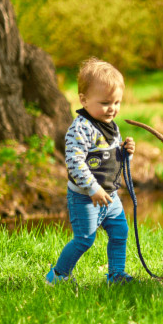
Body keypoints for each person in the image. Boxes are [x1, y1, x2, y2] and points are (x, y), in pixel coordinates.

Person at [46, 57, 136, 285]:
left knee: (119, 232)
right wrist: (92, 188)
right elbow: (75, 163)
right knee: (84, 239)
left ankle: (116, 274)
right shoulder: (80, 129)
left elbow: (112, 158)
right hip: (85, 196)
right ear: (84, 100)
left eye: (117, 102)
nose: (112, 109)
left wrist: (126, 153)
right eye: (106, 103)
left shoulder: (110, 125)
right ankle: (58, 275)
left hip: (110, 195)